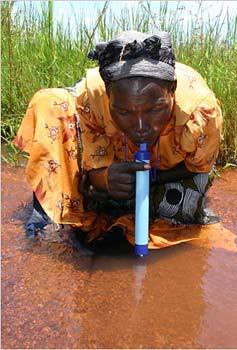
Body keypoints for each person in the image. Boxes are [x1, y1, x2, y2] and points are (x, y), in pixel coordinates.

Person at [13, 30, 222, 250]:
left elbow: (197, 168)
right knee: (51, 103)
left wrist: (149, 176)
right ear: (108, 97)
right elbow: (94, 166)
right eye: (123, 112)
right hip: (113, 160)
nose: (140, 127)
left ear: (172, 91)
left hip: (166, 173)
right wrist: (104, 179)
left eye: (155, 110)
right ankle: (52, 217)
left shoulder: (201, 112)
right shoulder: (92, 98)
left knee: (180, 209)